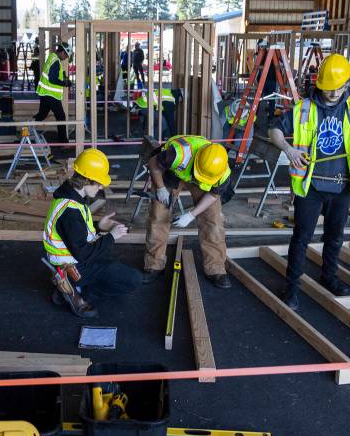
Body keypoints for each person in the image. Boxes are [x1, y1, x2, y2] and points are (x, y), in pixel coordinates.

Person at [268, 54, 350, 309]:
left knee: (335, 237)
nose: (333, 93)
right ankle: (292, 287)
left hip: (342, 186)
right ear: (319, 84)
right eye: (328, 88)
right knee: (301, 237)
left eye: (338, 87)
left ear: (347, 84)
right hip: (310, 186)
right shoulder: (303, 109)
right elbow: (274, 130)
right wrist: (289, 150)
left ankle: (329, 277)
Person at [43, 149, 141, 318]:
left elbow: (74, 233)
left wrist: (98, 226)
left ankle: (70, 286)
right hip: (75, 265)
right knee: (133, 279)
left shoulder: (71, 196)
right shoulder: (70, 211)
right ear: (86, 179)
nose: (101, 187)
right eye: (98, 183)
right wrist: (111, 236)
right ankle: (77, 291)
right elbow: (83, 253)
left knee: (113, 267)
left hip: (71, 260)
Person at [144, 135, 233, 288]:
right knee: (159, 215)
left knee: (213, 220)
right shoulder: (177, 154)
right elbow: (153, 163)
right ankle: (154, 264)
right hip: (171, 172)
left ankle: (215, 268)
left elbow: (213, 195)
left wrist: (191, 214)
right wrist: (161, 189)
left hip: (203, 179)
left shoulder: (222, 173)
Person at [35, 43, 71, 148]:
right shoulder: (56, 61)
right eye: (66, 55)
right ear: (63, 52)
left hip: (45, 93)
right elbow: (52, 79)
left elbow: (51, 76)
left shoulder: (52, 57)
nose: (66, 58)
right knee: (61, 117)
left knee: (42, 115)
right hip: (51, 95)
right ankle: (63, 143)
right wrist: (65, 83)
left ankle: (29, 126)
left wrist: (63, 80)